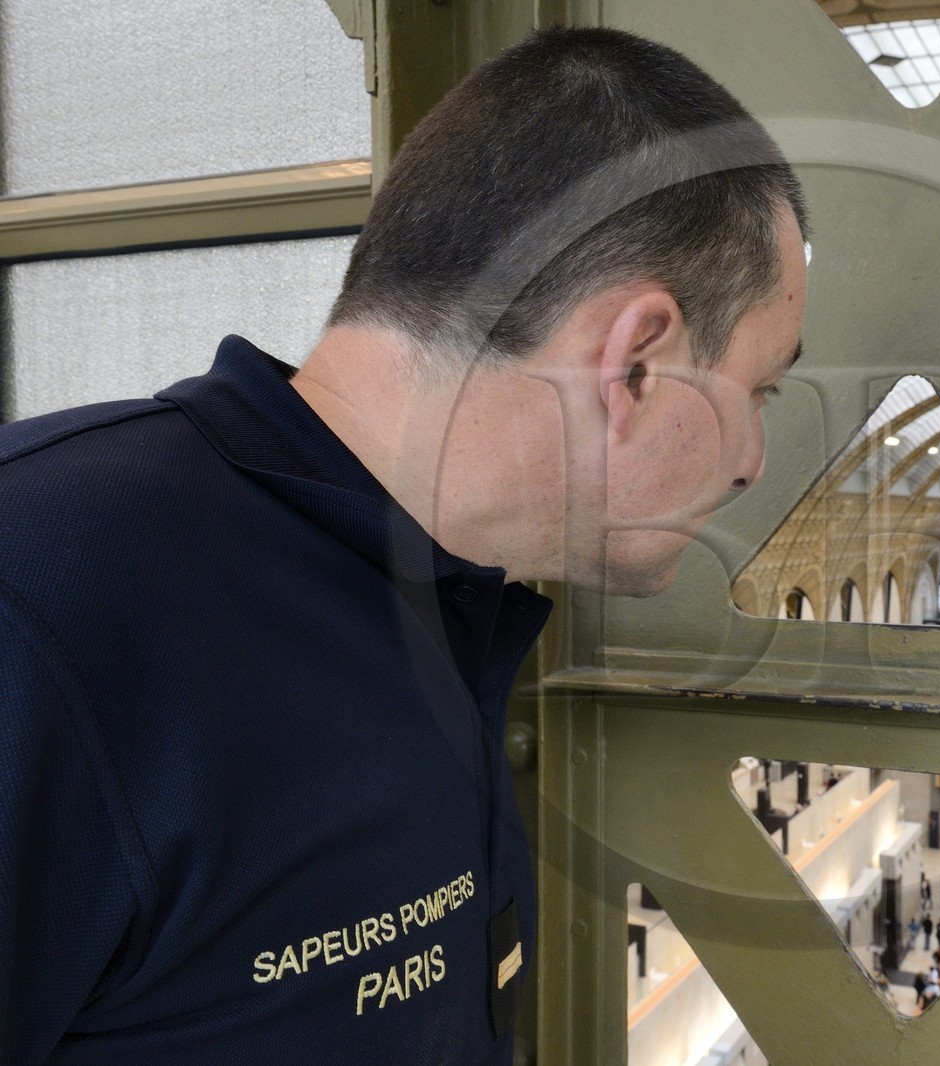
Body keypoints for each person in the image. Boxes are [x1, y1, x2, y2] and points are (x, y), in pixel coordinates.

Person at [0, 26, 807, 1065]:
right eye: (760, 389)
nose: (751, 461)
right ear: (636, 362)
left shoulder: (453, 614)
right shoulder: (41, 600)